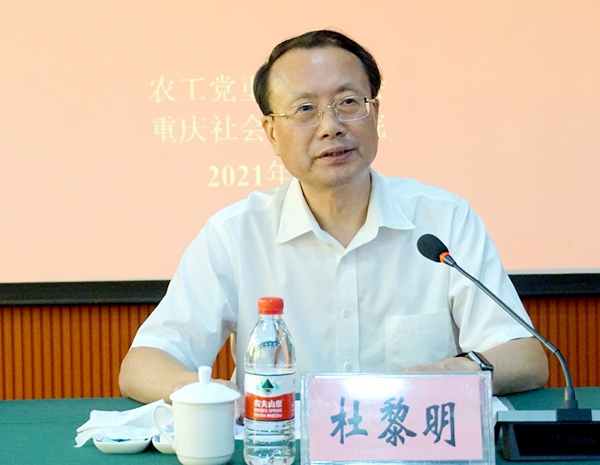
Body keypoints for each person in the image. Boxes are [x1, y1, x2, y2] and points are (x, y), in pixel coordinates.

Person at [119, 30, 548, 405]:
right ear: (272, 133)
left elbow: (524, 356)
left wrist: (447, 374)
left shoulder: (444, 219)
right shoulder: (236, 234)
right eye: (305, 109)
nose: (331, 126)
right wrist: (203, 394)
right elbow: (144, 363)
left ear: (375, 113)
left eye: (348, 102)